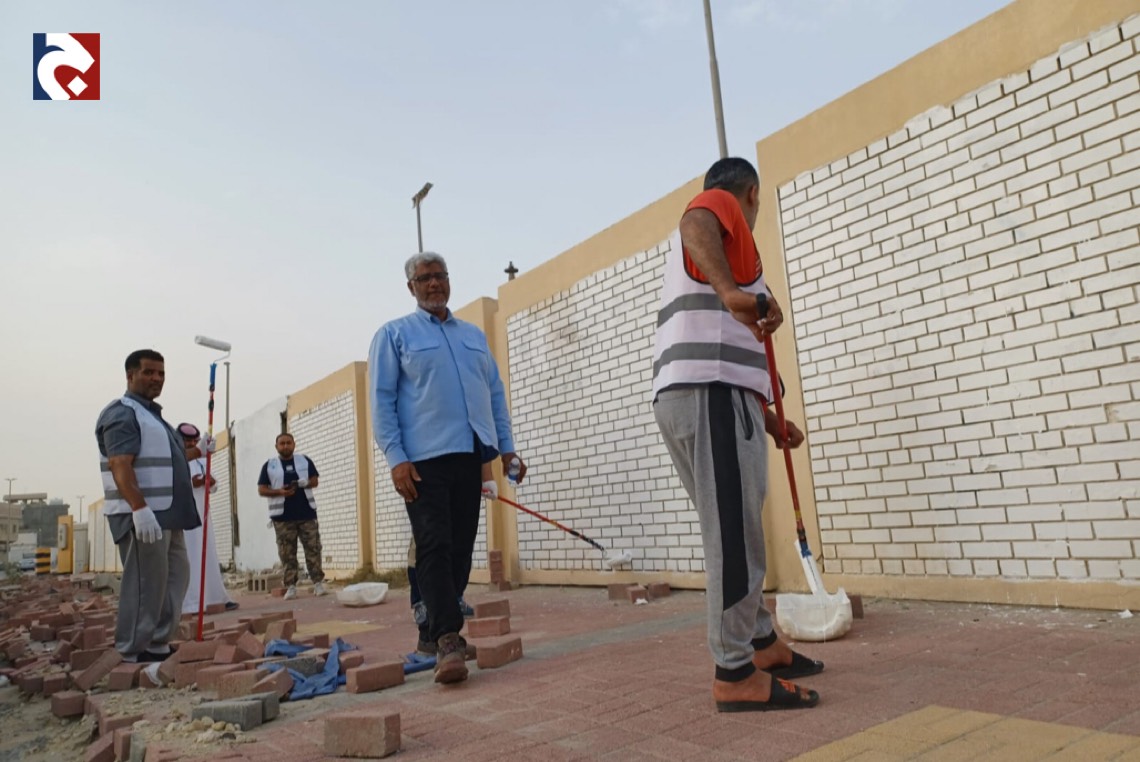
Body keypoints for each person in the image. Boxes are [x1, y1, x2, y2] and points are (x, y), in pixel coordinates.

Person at [652, 157, 823, 712]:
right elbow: (696, 218)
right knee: (733, 537)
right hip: (713, 394)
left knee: (735, 528)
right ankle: (733, 671)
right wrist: (730, 291)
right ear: (752, 194)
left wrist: (770, 421)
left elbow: (736, 338)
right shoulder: (720, 207)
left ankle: (761, 642)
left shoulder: (735, 256)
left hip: (716, 398)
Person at [369, 251, 526, 684]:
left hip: (469, 454)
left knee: (460, 547)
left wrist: (506, 450)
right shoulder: (394, 335)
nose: (434, 283)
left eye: (440, 275)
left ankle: (433, 632)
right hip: (422, 461)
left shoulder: (473, 336)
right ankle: (447, 638)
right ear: (411, 287)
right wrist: (396, 458)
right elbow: (381, 401)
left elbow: (494, 394)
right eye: (425, 278)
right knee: (433, 544)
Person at [95, 349, 210, 664]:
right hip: (143, 515)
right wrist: (139, 508)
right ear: (130, 375)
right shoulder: (123, 414)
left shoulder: (153, 417)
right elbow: (120, 464)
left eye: (161, 373)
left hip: (168, 515)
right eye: (148, 372)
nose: (156, 378)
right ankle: (133, 648)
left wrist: (199, 451)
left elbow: (169, 459)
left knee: (175, 579)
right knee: (146, 584)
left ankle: (158, 642)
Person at [408, 462, 496, 656]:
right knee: (431, 547)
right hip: (426, 468)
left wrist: (487, 474)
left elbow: (484, 439)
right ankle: (431, 633)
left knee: (459, 547)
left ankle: (447, 634)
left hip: (461, 466)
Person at [257, 433, 327, 600]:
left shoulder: (304, 461)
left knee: (313, 549)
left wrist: (305, 483)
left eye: (289, 443)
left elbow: (315, 481)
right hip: (282, 517)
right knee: (287, 553)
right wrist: (279, 492)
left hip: (306, 513)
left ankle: (317, 583)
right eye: (282, 443)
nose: (286, 446)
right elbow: (262, 489)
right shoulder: (270, 465)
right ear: (276, 446)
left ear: (294, 444)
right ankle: (291, 586)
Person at [177, 422, 237, 614]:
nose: (191, 444)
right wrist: (192, 482)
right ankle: (192, 603)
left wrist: (209, 481)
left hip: (203, 514)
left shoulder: (202, 460)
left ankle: (215, 598)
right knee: (191, 557)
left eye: (194, 441)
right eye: (187, 441)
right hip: (185, 516)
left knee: (208, 554)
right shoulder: (176, 458)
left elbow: (213, 483)